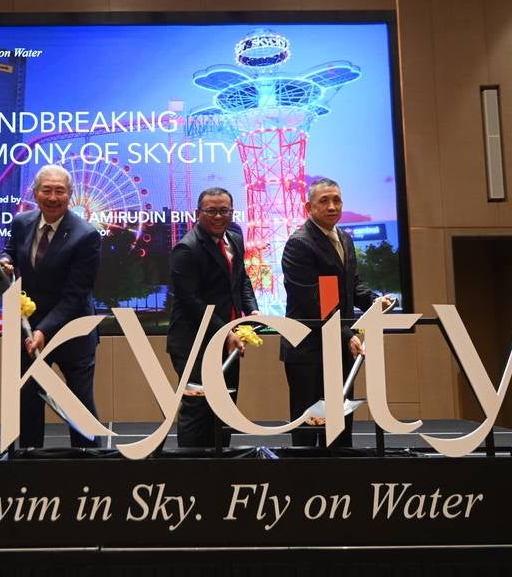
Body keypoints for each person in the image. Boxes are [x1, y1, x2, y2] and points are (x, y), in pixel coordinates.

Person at [279, 177, 391, 447]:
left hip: (339, 347)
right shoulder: (299, 243)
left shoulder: (343, 237)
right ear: (309, 207)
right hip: (308, 349)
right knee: (308, 427)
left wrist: (375, 302)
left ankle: (340, 485)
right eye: (324, 201)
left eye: (337, 200)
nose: (332, 206)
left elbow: (351, 284)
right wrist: (346, 333)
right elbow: (310, 299)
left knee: (339, 427)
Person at [0, 165, 102, 448]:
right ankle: (31, 465)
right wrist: (5, 261)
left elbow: (76, 295)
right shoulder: (21, 222)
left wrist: (43, 330)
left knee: (78, 403)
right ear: (35, 193)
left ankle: (91, 467)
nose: (53, 197)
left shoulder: (87, 235)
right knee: (28, 399)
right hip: (28, 330)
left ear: (70, 195)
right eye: (47, 190)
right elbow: (11, 250)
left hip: (72, 332)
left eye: (60, 191)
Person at [167, 187, 260, 447]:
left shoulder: (235, 238)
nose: (218, 216)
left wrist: (251, 309)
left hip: (228, 340)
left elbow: (241, 279)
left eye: (224, 210)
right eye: (211, 211)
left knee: (224, 407)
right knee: (197, 409)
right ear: (198, 213)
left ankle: (219, 469)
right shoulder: (186, 249)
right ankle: (192, 476)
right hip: (193, 343)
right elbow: (191, 302)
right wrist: (226, 332)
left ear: (232, 212)